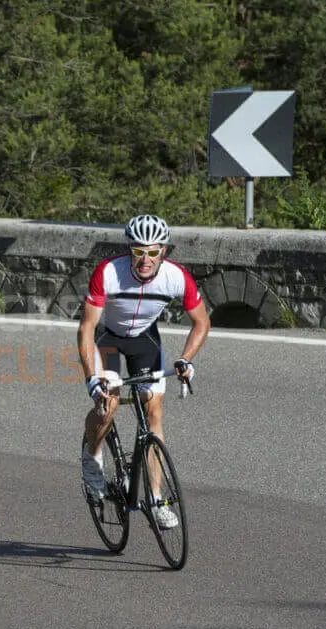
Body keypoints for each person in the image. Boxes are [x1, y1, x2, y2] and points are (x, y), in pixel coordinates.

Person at [76, 214, 210, 528]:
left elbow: (201, 322)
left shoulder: (177, 277)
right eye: (138, 252)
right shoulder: (108, 273)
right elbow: (86, 328)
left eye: (152, 252)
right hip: (107, 337)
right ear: (129, 250)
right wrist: (91, 378)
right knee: (107, 402)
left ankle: (156, 499)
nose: (145, 260)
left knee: (153, 411)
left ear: (164, 250)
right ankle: (92, 456)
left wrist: (186, 359)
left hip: (145, 339)